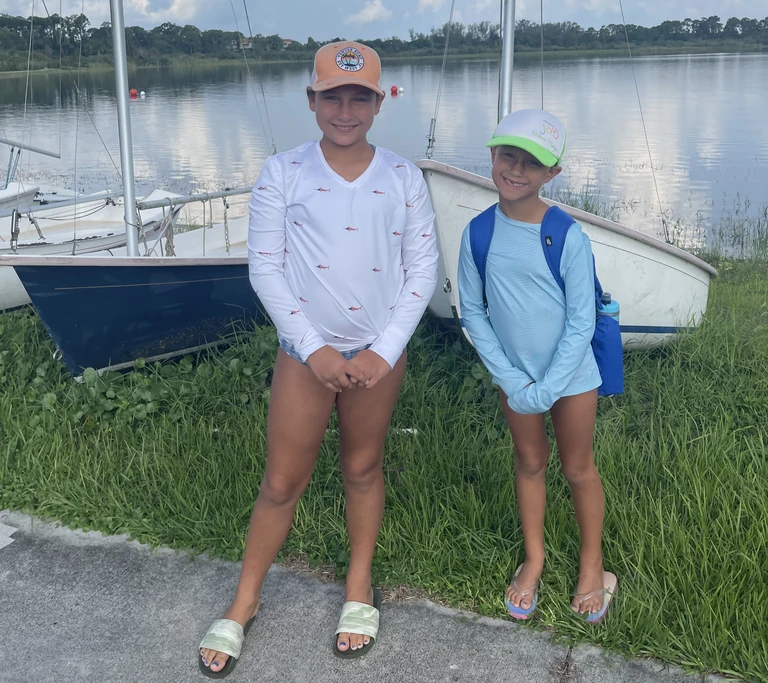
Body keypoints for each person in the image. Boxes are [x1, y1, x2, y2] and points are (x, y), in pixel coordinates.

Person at [198, 41, 438, 677]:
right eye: (332, 95)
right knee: (281, 481)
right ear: (312, 100)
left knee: (363, 467)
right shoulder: (283, 172)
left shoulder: (403, 177)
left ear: (378, 103)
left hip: (377, 357)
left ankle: (359, 585)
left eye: (359, 97)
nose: (345, 109)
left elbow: (423, 268)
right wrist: (312, 348)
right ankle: (245, 598)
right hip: (304, 354)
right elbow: (266, 269)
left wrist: (385, 350)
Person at [457, 109, 617, 624]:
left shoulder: (567, 236)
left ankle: (593, 565)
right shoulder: (478, 233)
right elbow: (474, 311)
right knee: (529, 462)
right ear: (492, 155)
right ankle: (535, 557)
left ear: (552, 174)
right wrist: (512, 379)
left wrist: (548, 387)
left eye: (532, 163)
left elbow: (580, 321)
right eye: (508, 156)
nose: (516, 170)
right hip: (516, 380)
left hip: (570, 380)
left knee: (577, 467)